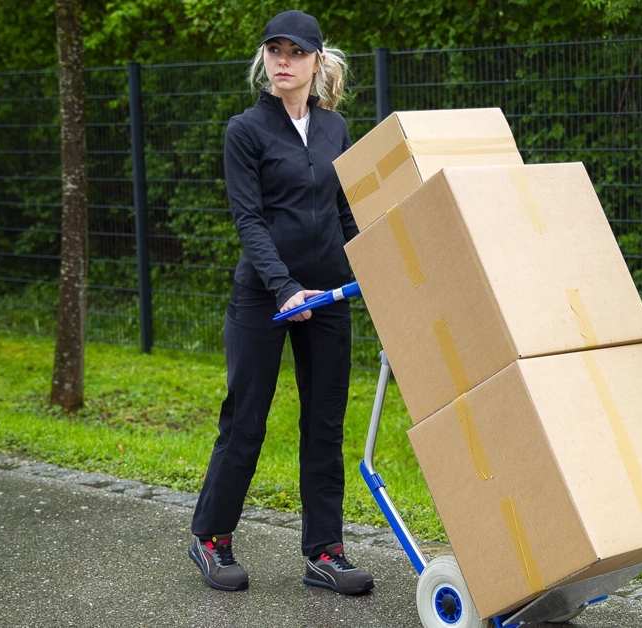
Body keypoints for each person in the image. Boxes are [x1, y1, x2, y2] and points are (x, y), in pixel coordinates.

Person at [187, 9, 372, 595]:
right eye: (275, 51)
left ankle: (325, 553)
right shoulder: (245, 130)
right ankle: (210, 539)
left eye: (296, 52)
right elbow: (250, 220)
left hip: (331, 295)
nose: (284, 61)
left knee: (325, 423)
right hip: (264, 297)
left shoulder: (334, 129)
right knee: (246, 420)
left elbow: (345, 213)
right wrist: (285, 288)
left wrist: (374, 264)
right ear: (265, 59)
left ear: (317, 60)